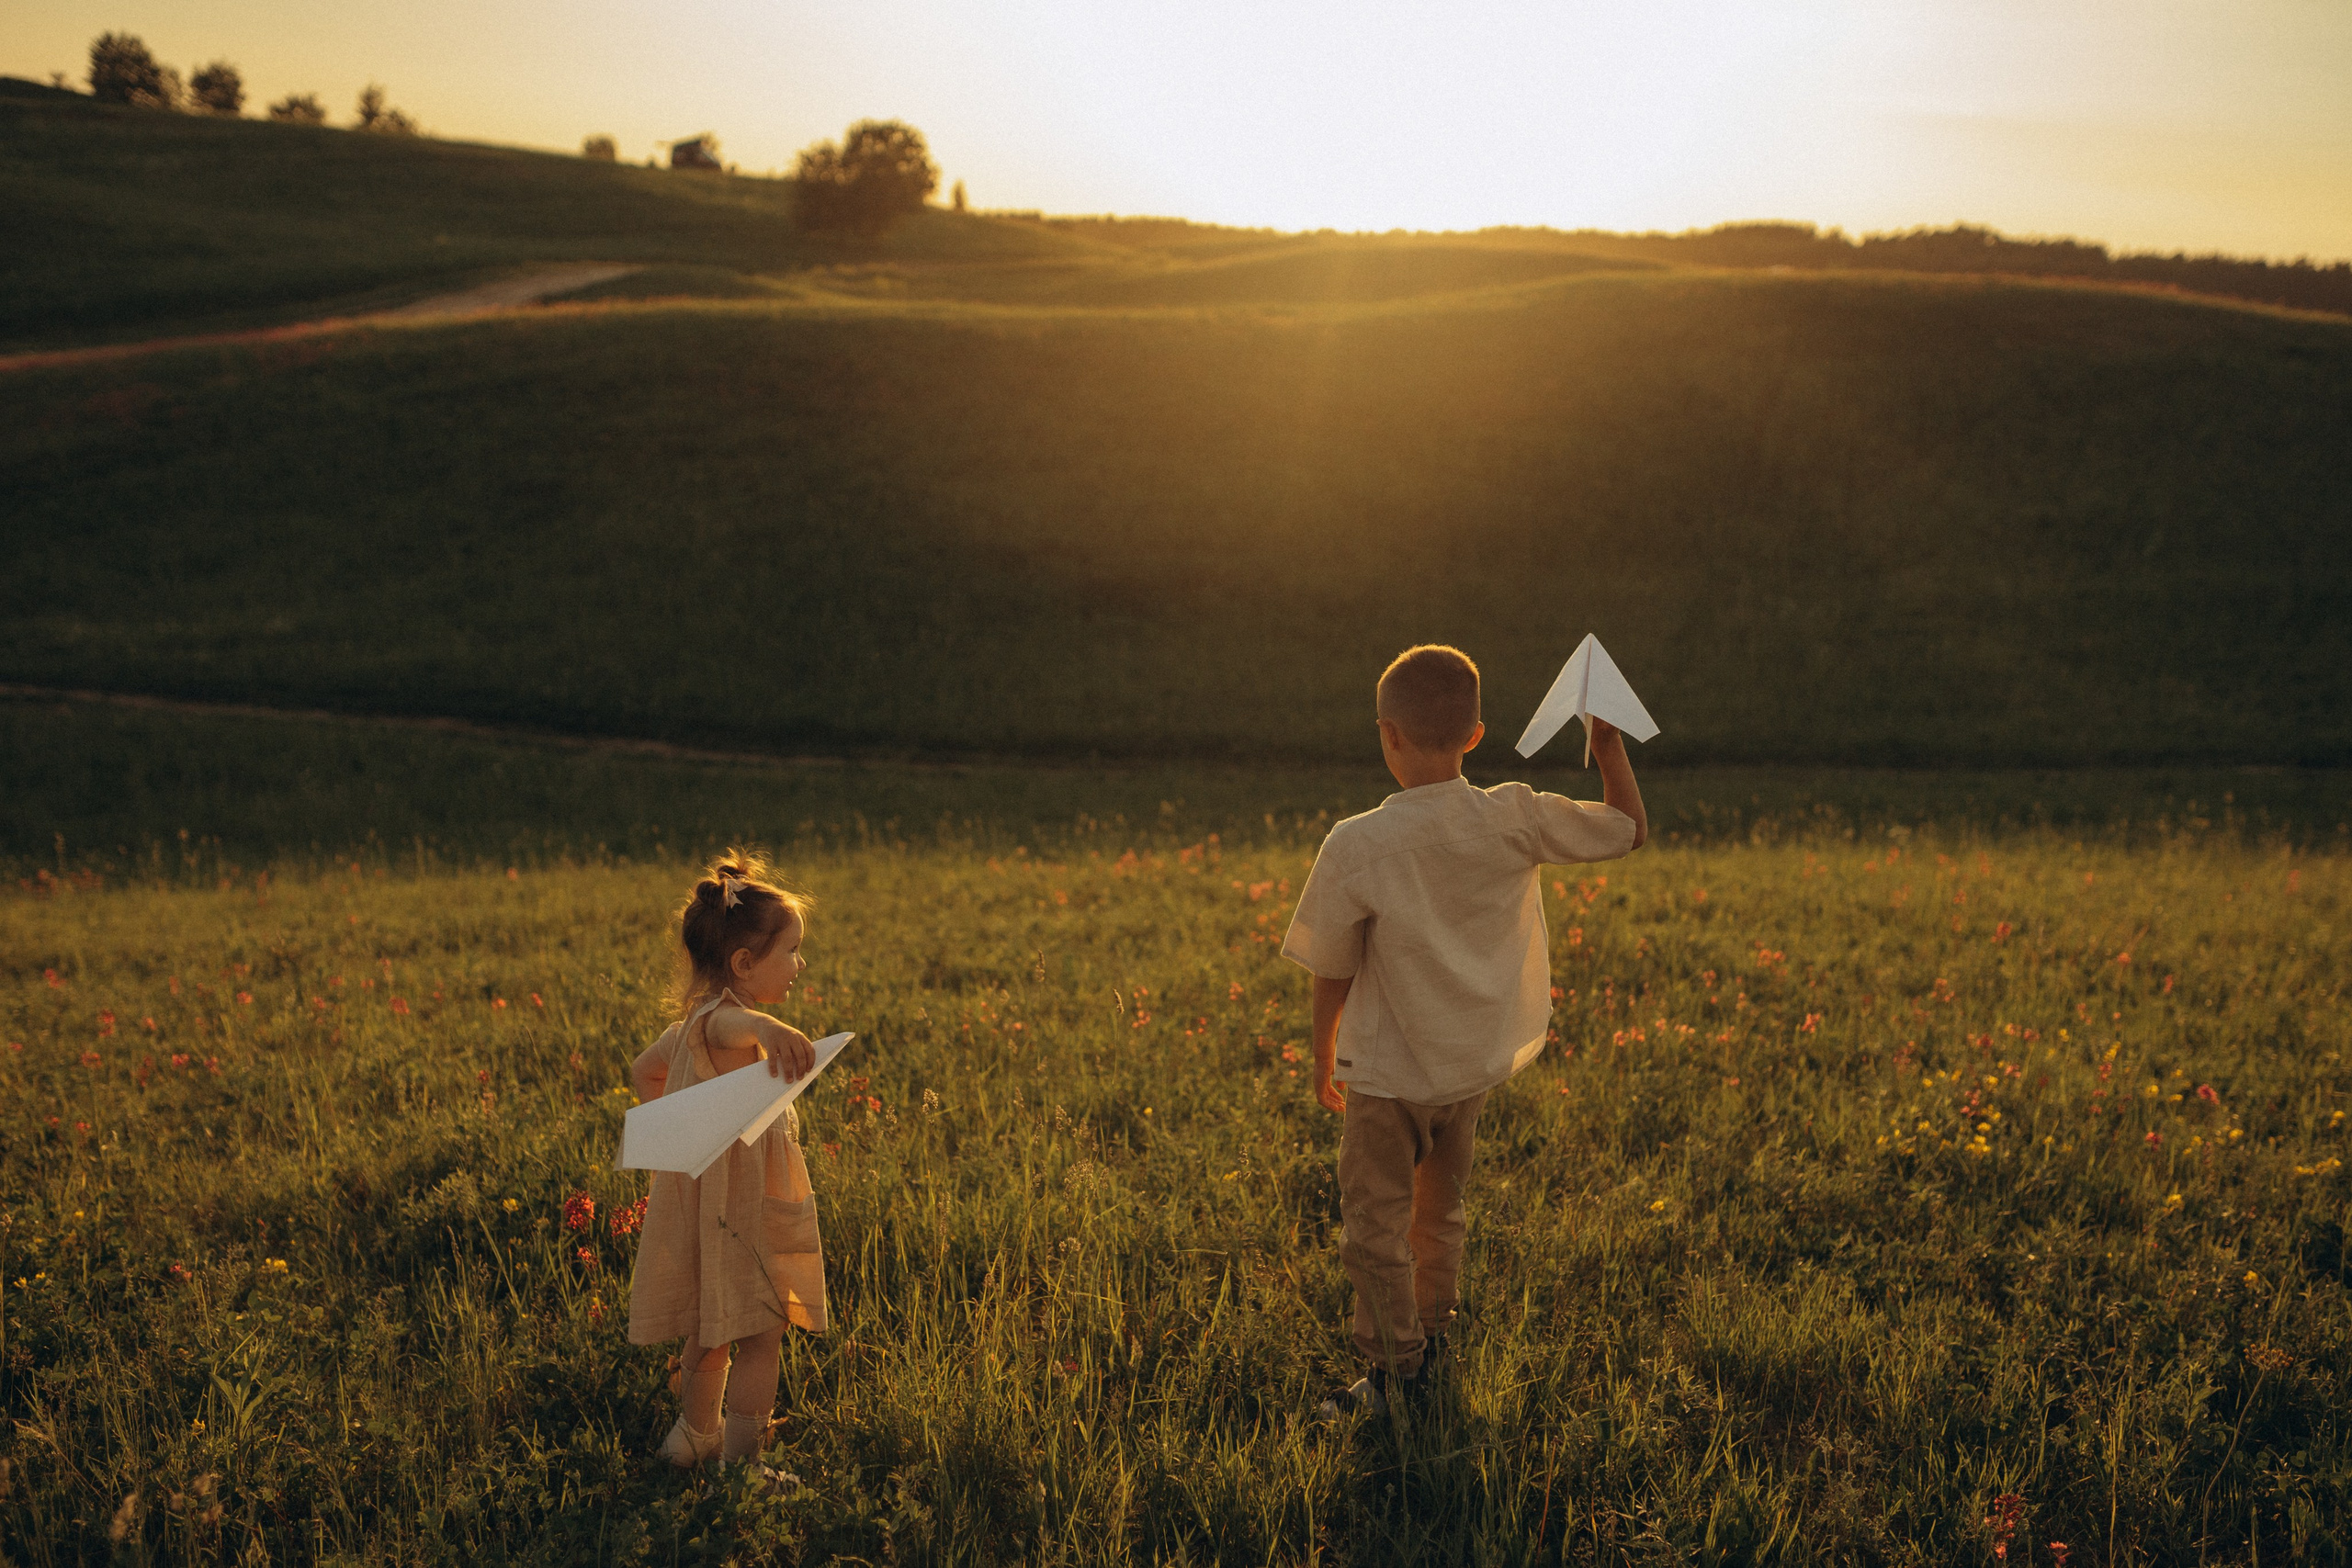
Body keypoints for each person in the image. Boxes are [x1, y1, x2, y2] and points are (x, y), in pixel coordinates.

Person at [1282, 645, 1646, 1416]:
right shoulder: (1514, 813)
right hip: (1470, 1069)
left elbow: (1331, 966)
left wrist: (1321, 1051)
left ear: (1388, 735)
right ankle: (1433, 1340)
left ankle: (1393, 1374)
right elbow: (1625, 829)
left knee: (1372, 1227)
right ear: (1476, 734)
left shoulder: (1356, 843)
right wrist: (1606, 744)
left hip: (1387, 1078)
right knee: (1438, 1212)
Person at [626, 849, 827, 1472]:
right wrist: (766, 1028)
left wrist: (687, 1127)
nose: (800, 963)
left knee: (711, 1326)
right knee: (762, 1336)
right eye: (790, 950)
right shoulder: (729, 1023)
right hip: (748, 1211)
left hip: (712, 1203)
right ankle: (744, 1468)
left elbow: (643, 1071)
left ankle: (693, 1434)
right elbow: (737, 1028)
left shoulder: (689, 1026)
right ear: (744, 963)